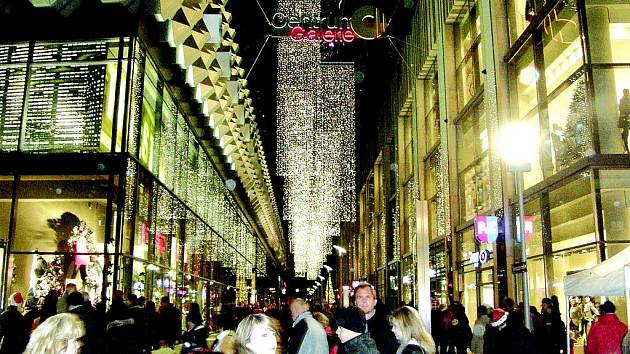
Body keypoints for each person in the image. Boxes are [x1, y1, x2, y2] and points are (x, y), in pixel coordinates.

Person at [354, 283, 398, 354]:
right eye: (360, 297)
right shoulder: (348, 326)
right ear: (355, 303)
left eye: (367, 297)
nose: (364, 301)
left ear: (375, 302)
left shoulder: (386, 324)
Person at [618, 89, 630, 153]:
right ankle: (626, 148)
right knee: (626, 134)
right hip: (625, 119)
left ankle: (626, 147)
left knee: (625, 134)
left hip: (627, 119)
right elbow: (621, 109)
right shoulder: (622, 100)